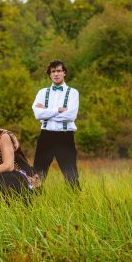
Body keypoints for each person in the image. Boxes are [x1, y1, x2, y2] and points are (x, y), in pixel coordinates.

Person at [32, 60, 80, 188]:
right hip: (45, 136)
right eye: (53, 71)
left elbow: (71, 115)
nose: (56, 74)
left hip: (65, 136)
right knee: (37, 173)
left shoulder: (73, 93)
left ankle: (75, 199)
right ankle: (34, 199)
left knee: (71, 175)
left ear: (64, 73)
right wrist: (58, 110)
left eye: (59, 71)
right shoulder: (42, 93)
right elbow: (38, 115)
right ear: (49, 75)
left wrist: (46, 113)